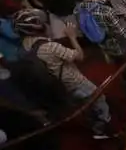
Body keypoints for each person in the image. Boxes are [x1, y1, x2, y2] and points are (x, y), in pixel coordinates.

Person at [13, 9, 113, 139]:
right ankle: (104, 127)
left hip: (59, 86)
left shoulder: (24, 49)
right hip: (75, 82)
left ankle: (93, 123)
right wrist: (71, 36)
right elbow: (79, 56)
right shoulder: (49, 46)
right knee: (98, 98)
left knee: (83, 105)